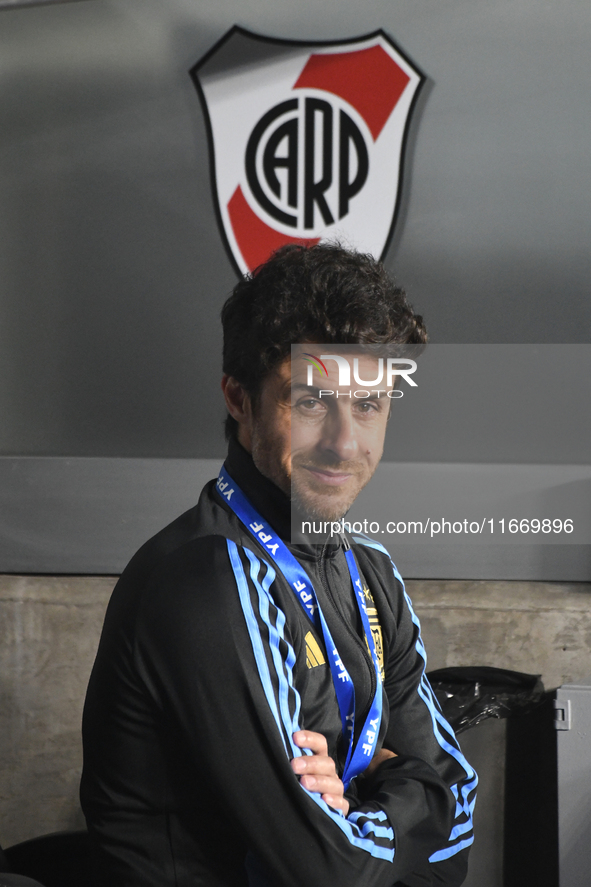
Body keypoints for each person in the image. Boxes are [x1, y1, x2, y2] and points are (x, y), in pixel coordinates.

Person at [80, 244, 477, 887]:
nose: (344, 442)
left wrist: (367, 788)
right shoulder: (207, 579)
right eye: (312, 402)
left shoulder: (373, 575)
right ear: (239, 400)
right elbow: (327, 870)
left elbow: (454, 842)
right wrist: (400, 780)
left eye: (369, 405)